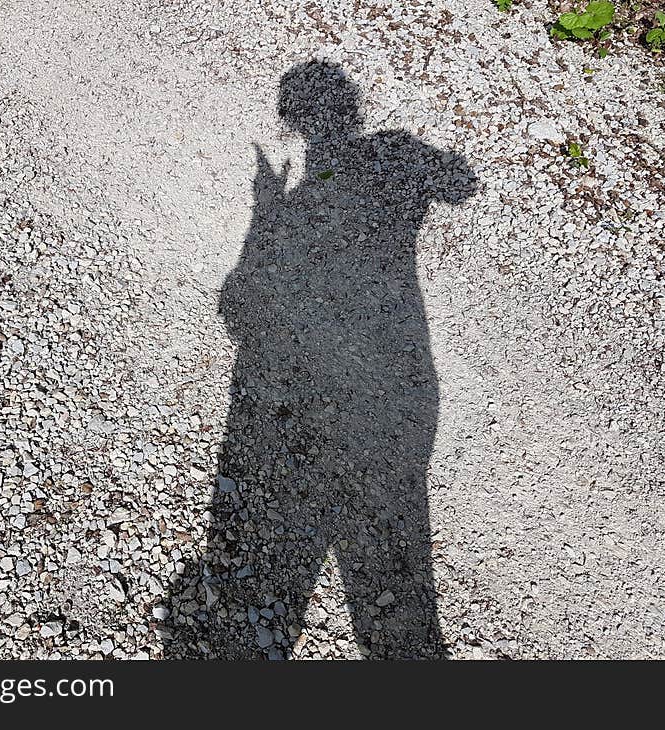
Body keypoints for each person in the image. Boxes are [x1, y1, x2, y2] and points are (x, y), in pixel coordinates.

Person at [165, 60, 477, 659]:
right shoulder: (383, 157)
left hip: (354, 396)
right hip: (400, 389)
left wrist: (266, 211)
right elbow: (461, 182)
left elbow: (238, 302)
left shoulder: (319, 188)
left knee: (331, 568)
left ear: (296, 122)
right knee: (395, 580)